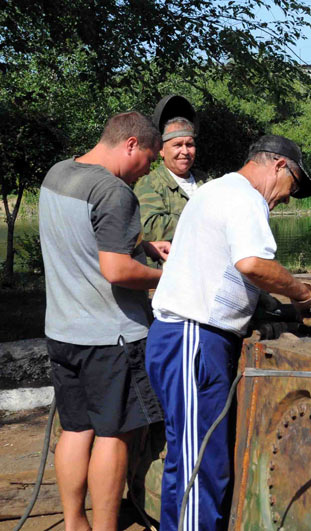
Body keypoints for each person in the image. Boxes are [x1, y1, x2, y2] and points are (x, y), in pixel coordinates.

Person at [145, 134, 311, 530]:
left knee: (188, 458)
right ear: (278, 165)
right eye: (292, 186)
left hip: (184, 338)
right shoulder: (245, 198)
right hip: (192, 339)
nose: (286, 198)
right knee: (204, 466)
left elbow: (223, 269)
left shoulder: (216, 190)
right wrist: (303, 295)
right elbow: (252, 263)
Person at [38, 111, 170, 531]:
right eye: (148, 160)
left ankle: (75, 522)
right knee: (115, 435)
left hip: (62, 331)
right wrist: (165, 276)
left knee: (76, 430)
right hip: (110, 337)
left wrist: (143, 245)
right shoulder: (114, 192)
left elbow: (82, 236)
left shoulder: (59, 174)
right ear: (131, 144)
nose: (147, 171)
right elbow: (115, 270)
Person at [134, 115, 208, 244]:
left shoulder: (206, 182)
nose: (185, 151)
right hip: (170, 262)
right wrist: (198, 219)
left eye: (189, 145)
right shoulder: (150, 184)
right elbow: (148, 228)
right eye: (177, 145)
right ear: (161, 150)